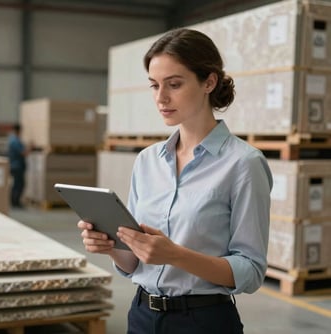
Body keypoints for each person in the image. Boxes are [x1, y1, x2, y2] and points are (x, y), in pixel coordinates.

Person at [78, 28, 272, 334]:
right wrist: (111, 247)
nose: (161, 98)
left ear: (209, 81)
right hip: (142, 315)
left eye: (174, 84)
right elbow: (134, 264)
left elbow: (250, 271)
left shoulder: (243, 164)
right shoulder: (147, 161)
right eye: (154, 86)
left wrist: (175, 255)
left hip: (204, 322)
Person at [8, 123, 30, 208]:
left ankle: (14, 201)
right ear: (18, 131)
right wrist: (30, 148)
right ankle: (15, 202)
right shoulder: (15, 141)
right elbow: (23, 153)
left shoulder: (14, 140)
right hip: (17, 167)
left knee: (16, 184)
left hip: (15, 166)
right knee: (19, 185)